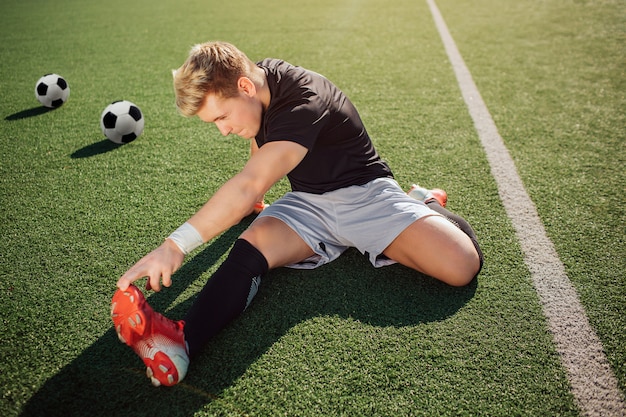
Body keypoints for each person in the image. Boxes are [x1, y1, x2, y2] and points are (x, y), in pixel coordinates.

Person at [111, 41, 483, 387]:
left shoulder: (305, 100)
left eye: (222, 117)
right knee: (252, 246)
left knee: (461, 266)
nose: (223, 130)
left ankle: (422, 202)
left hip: (366, 196)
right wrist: (259, 205)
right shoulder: (259, 84)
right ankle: (183, 341)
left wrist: (175, 245)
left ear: (244, 86)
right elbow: (261, 147)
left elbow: (247, 185)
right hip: (308, 201)